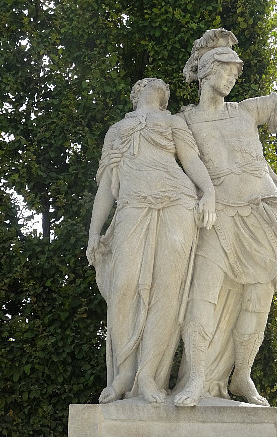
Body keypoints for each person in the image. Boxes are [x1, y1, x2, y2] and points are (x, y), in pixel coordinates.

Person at [173, 28, 277, 406]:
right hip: (217, 218)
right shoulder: (184, 121)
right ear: (207, 71)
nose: (233, 76)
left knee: (257, 302)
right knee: (202, 295)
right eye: (227, 69)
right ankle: (196, 377)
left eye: (236, 71)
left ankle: (242, 376)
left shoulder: (246, 110)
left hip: (264, 216)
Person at [87, 78, 216, 404]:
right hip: (132, 205)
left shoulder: (173, 122)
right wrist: (93, 232)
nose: (158, 86)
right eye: (149, 83)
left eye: (163, 86)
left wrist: (209, 191)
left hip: (177, 202)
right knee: (123, 287)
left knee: (166, 289)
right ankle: (124, 374)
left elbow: (190, 161)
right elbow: (105, 188)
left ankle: (147, 374)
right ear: (136, 93)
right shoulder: (116, 131)